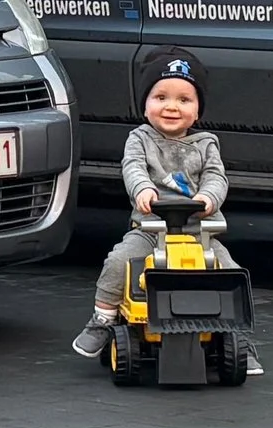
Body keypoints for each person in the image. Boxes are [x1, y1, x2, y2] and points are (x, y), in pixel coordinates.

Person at [71, 52, 262, 375]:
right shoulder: (141, 139)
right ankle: (102, 319)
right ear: (145, 105)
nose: (172, 107)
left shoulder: (206, 144)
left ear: (198, 109)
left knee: (229, 269)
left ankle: (237, 334)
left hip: (197, 233)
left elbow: (217, 177)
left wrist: (208, 198)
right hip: (150, 230)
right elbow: (132, 168)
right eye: (161, 97)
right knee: (120, 261)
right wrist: (143, 190)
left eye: (184, 99)